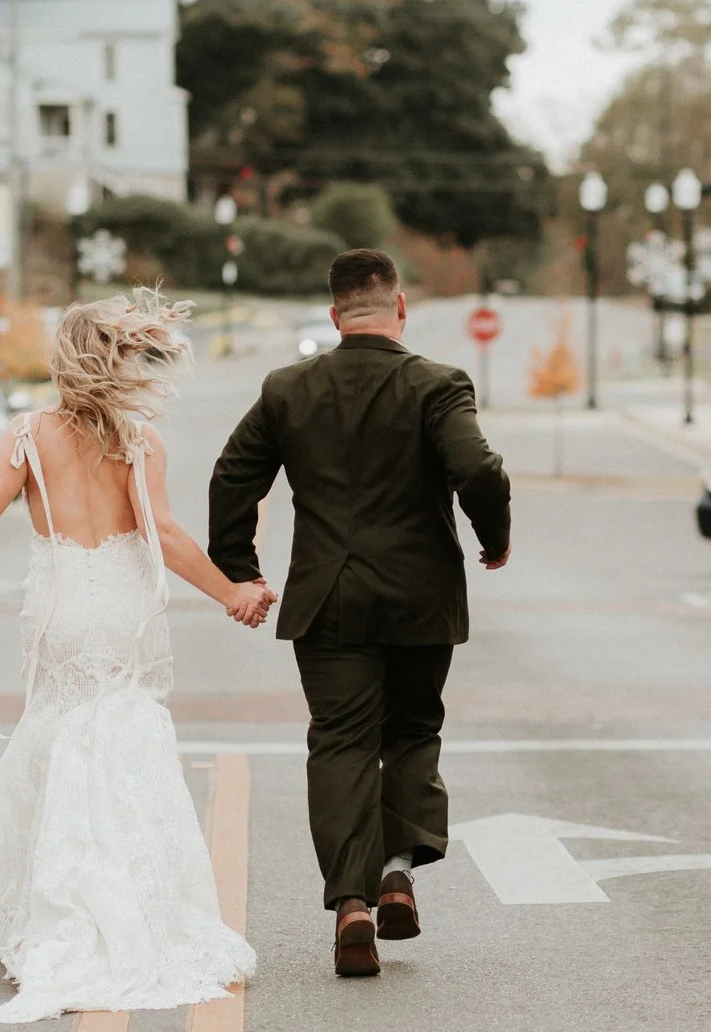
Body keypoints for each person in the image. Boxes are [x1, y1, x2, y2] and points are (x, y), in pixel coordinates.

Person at [0, 291, 268, 1024]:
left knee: (59, 743)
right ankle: (132, 902)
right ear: (118, 360)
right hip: (121, 611)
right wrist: (231, 594)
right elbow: (164, 535)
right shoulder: (141, 442)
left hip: (60, 612)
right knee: (121, 746)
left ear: (64, 360)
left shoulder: (27, 435)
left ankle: (53, 907)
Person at [208, 249, 511, 977]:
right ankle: (397, 874)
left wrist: (240, 566)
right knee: (411, 730)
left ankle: (351, 904)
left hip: (328, 598)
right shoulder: (438, 385)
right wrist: (493, 538)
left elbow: (232, 477)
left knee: (341, 742)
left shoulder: (289, 389)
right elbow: (478, 468)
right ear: (399, 307)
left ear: (335, 312)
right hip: (419, 598)